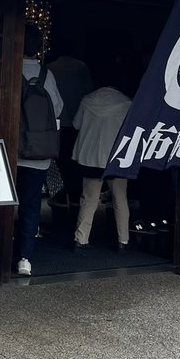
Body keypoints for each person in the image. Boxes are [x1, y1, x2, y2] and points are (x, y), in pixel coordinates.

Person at [15, 23, 63, 277]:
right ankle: (24, 257)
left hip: (11, 150)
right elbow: (58, 107)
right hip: (38, 154)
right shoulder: (46, 75)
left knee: (3, 203)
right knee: (31, 205)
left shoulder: (9, 69)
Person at [71, 85, 132, 250]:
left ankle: (80, 239)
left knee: (89, 199)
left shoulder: (87, 100)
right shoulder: (126, 103)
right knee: (120, 198)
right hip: (116, 158)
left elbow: (76, 124)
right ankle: (123, 240)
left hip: (90, 156)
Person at [48, 47, 93, 220]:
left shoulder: (50, 68)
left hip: (58, 121)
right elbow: (88, 91)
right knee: (75, 160)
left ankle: (61, 193)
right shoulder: (81, 67)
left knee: (60, 159)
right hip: (78, 120)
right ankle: (74, 194)